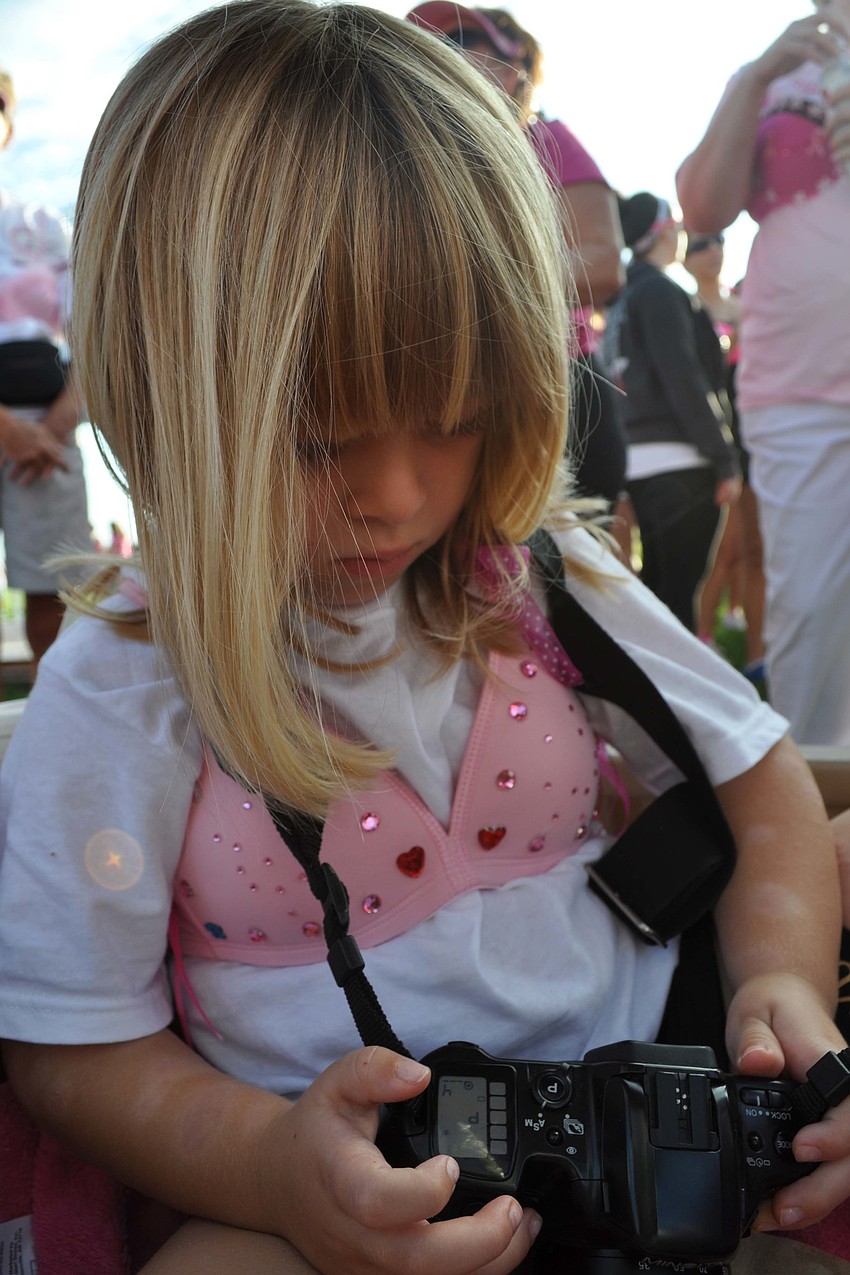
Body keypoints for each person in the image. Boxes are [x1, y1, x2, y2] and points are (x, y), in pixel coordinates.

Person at [0, 5, 848, 1273]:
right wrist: (274, 1177)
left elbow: (763, 780)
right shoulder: (129, 679)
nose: (395, 495)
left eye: (449, 420)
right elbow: (69, 1045)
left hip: (658, 1135)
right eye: (317, 440)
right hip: (342, 1207)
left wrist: (775, 983)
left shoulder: (542, 578)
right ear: (166, 385)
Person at [677, 2, 850, 744]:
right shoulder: (770, 76)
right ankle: (819, 805)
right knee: (807, 608)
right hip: (796, 386)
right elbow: (703, 207)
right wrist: (754, 79)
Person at [407, 3, 628, 510]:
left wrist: (470, 289)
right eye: (434, 45)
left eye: (463, 41)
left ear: (515, 69)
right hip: (446, 381)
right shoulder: (408, 154)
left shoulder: (549, 139)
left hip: (554, 376)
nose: (443, 54)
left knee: (569, 567)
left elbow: (603, 264)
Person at [609, 192, 741, 632]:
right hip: (682, 463)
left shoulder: (622, 298)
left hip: (642, 462)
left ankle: (647, 697)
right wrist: (724, 458)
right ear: (665, 231)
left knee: (660, 594)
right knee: (675, 603)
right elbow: (683, 379)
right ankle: (668, 699)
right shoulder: (660, 292)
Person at [0, 68, 91, 672]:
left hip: (46, 428)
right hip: (21, 431)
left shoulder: (44, 224)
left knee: (57, 589)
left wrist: (52, 429)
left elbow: (91, 331)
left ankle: (50, 723)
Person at [683, 235, 766, 687]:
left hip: (752, 438)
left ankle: (757, 656)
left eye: (716, 244)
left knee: (752, 551)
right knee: (721, 552)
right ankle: (703, 639)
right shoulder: (683, 307)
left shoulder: (746, 307)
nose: (711, 251)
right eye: (700, 244)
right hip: (713, 447)